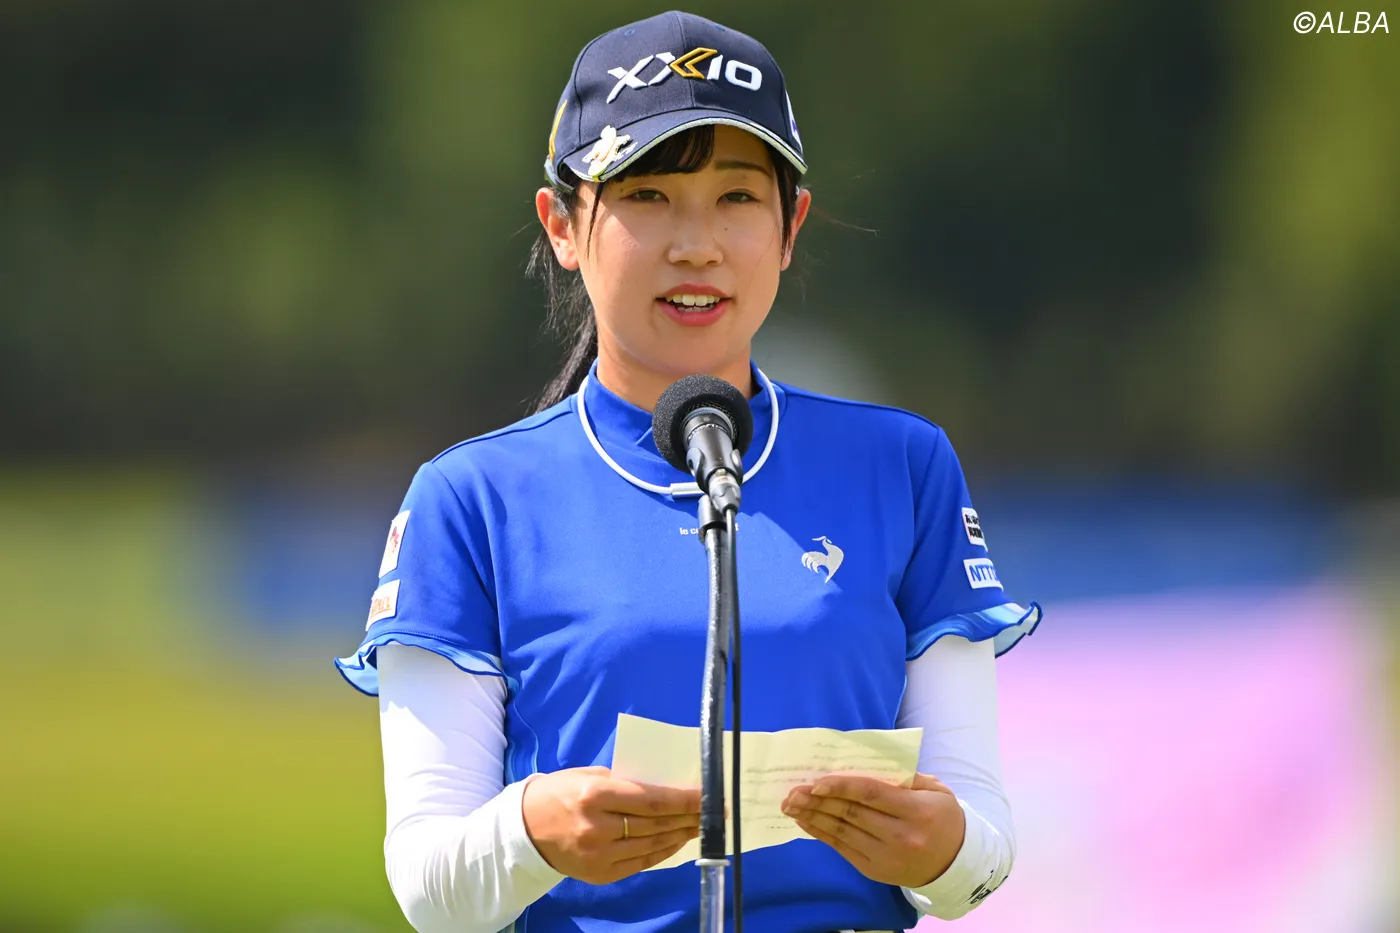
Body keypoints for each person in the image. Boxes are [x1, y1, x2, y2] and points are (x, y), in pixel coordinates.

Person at [334, 11, 1041, 933]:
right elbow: (432, 891)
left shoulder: (904, 467)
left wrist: (941, 852)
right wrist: (533, 832)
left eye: (737, 197)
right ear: (562, 224)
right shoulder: (471, 500)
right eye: (648, 195)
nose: (696, 244)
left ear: (790, 226)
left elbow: (980, 848)